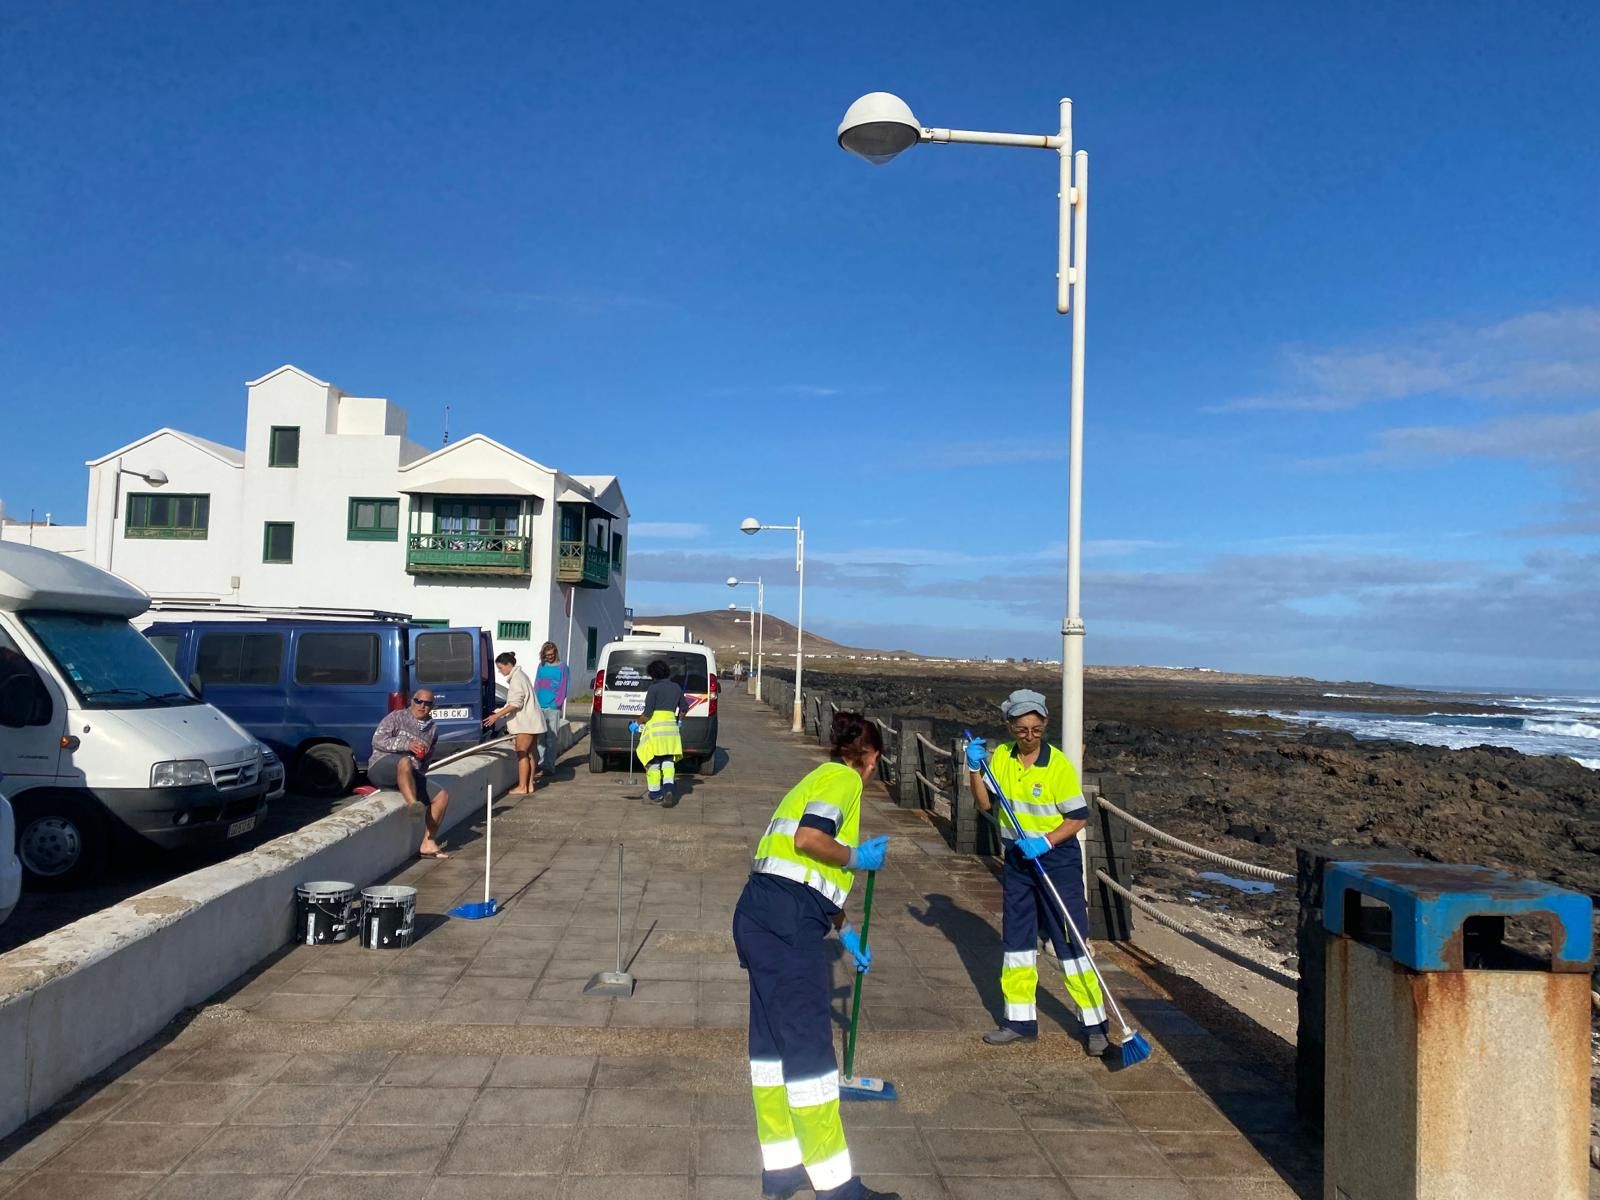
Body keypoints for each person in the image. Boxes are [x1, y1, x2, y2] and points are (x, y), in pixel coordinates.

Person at [733, 712, 898, 1200]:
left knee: (770, 1046)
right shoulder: (845, 780)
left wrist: (845, 931)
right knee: (809, 1052)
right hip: (787, 923)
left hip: (758, 913)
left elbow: (799, 869)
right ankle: (835, 1184)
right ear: (873, 759)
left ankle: (782, 1169)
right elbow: (810, 840)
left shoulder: (814, 777)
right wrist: (856, 857)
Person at [965, 688, 1108, 1054]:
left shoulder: (1057, 765)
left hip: (1055, 860)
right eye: (1021, 728)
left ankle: (1095, 1025)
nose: (1028, 735)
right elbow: (984, 806)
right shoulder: (1002, 759)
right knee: (1017, 942)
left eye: (1035, 728)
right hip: (1017, 860)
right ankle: (1019, 1021)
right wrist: (975, 769)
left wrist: (1045, 841)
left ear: (1044, 724)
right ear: (1009, 725)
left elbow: (1078, 817)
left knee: (1070, 942)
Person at [367, 689, 452, 859]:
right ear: (411, 701)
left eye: (427, 704)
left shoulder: (432, 728)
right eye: (418, 701)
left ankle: (428, 842)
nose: (422, 706)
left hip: (410, 773)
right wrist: (407, 744)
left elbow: (427, 759)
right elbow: (377, 740)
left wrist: (421, 769)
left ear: (432, 707)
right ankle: (414, 805)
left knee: (441, 796)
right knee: (404, 761)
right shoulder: (396, 717)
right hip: (382, 765)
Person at [482, 651, 545, 795]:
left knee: (522, 753)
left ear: (508, 665)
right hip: (532, 721)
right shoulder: (521, 676)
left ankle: (522, 786)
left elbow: (516, 703)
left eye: (501, 668)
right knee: (530, 753)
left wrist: (496, 716)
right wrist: (500, 710)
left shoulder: (517, 679)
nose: (500, 671)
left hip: (525, 723)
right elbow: (514, 701)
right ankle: (529, 785)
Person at [636, 658, 689, 807]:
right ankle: (668, 789)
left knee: (652, 762)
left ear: (653, 675)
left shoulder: (653, 689)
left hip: (655, 732)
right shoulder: (676, 688)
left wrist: (636, 723)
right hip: (671, 731)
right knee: (668, 762)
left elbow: (647, 714)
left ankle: (655, 794)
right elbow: (684, 708)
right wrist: (679, 720)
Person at [533, 641, 569, 774]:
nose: (550, 657)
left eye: (552, 654)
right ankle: (541, 763)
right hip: (540, 706)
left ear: (555, 653)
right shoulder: (541, 666)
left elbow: (563, 687)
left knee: (551, 738)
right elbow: (536, 684)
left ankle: (549, 766)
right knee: (540, 739)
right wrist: (535, 702)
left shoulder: (562, 667)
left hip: (553, 707)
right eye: (547, 655)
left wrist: (556, 703)